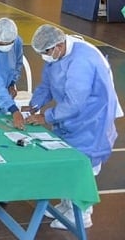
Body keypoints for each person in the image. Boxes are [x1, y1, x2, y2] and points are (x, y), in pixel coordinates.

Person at [25, 24, 120, 229]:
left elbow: (75, 103)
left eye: (46, 52)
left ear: (58, 46)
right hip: (70, 119)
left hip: (92, 121)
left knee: (83, 167)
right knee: (68, 161)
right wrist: (34, 104)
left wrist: (46, 117)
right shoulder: (56, 57)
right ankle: (68, 205)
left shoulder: (82, 61)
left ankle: (83, 214)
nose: (44, 57)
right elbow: (47, 84)